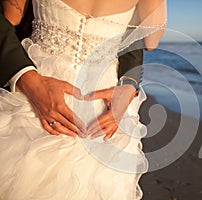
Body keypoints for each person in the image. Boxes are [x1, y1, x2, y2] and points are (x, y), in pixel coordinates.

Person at [0, 0, 166, 199]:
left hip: (89, 99)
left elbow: (11, 16)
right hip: (52, 94)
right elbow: (150, 40)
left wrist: (129, 85)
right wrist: (27, 78)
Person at [0, 0, 143, 138]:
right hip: (29, 97)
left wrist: (129, 84)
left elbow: (134, 32)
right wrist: (29, 80)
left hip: (105, 111)